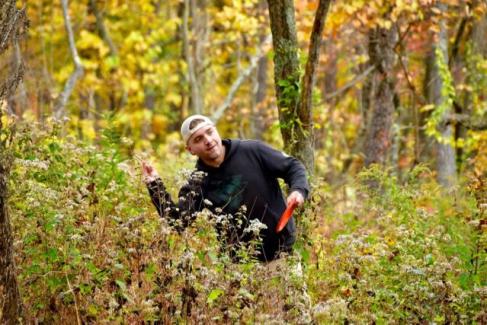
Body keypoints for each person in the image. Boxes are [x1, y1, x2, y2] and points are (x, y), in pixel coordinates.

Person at [142, 114, 309, 262]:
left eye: (209, 132)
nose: (207, 140)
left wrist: (298, 190)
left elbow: (292, 167)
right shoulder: (198, 182)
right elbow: (177, 221)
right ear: (190, 150)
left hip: (282, 253)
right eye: (198, 139)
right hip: (241, 269)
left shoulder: (252, 150)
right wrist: (155, 186)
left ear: (216, 131)